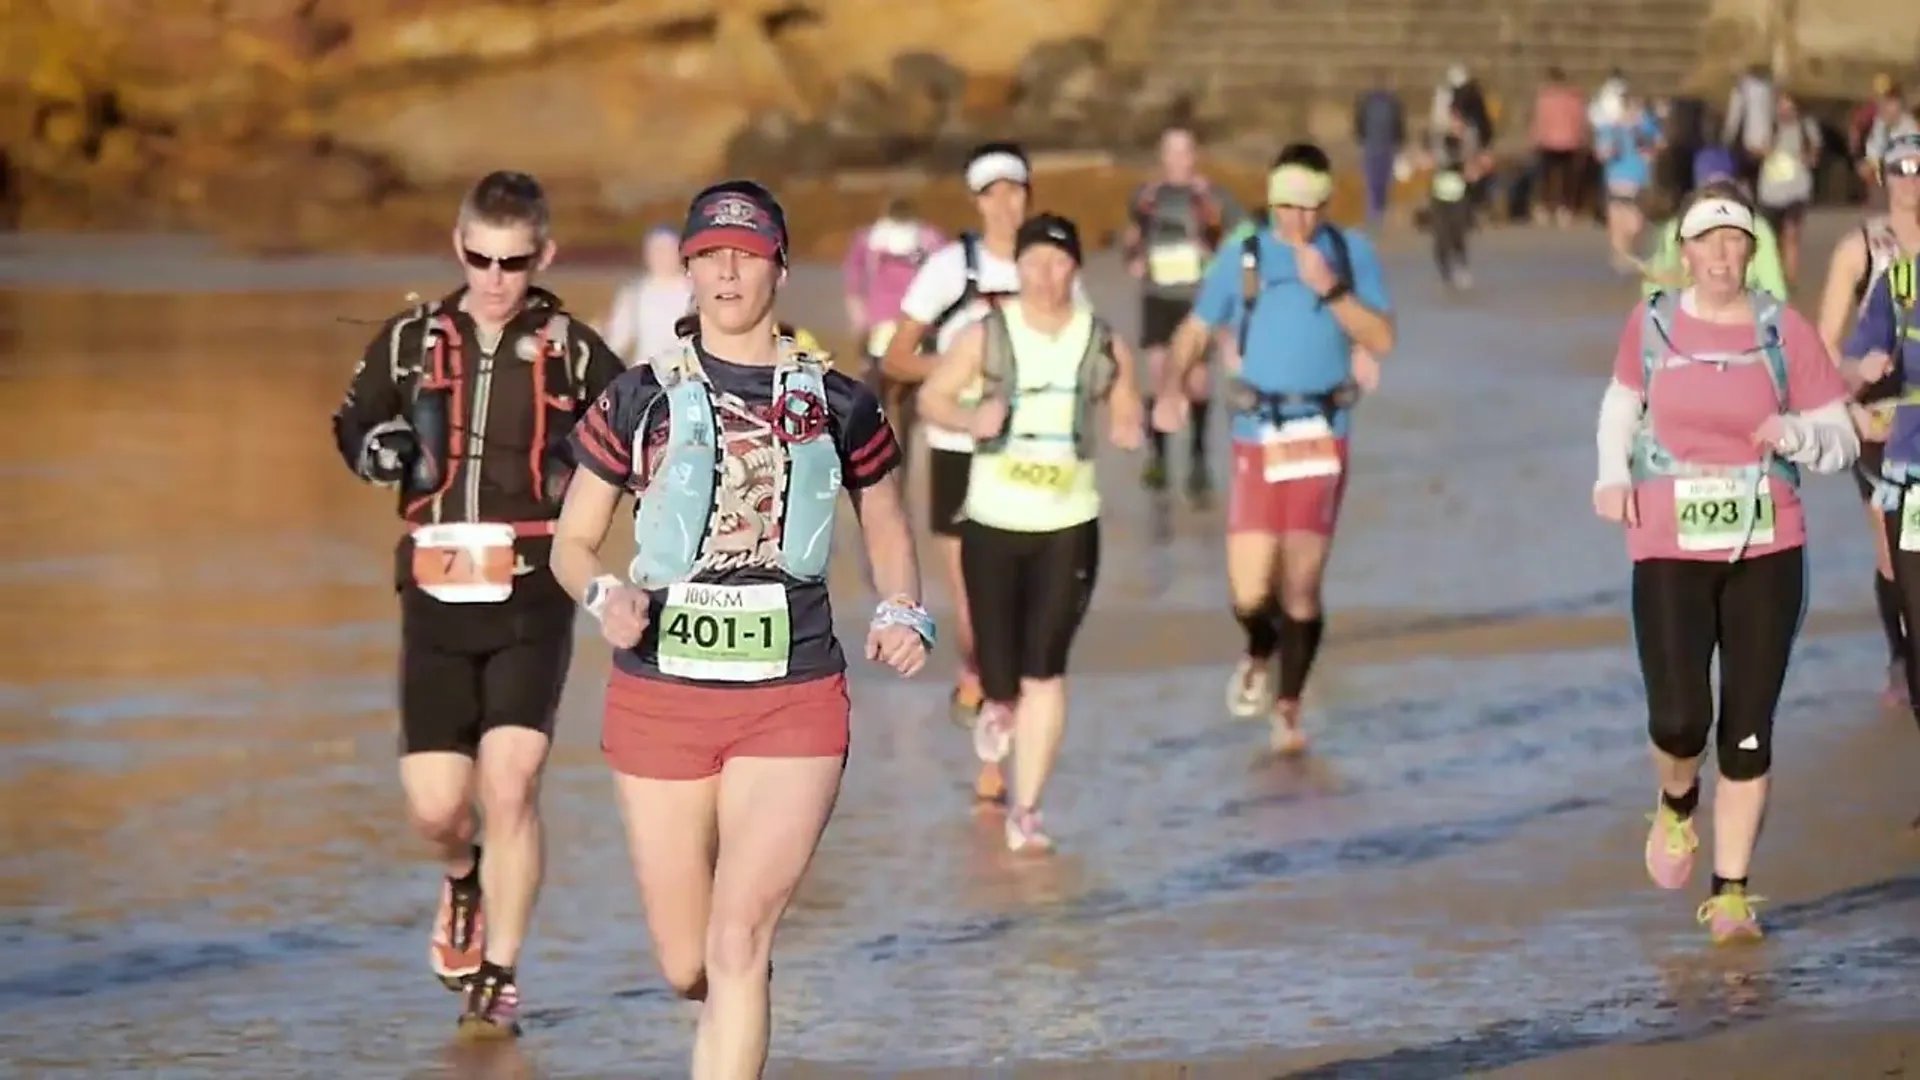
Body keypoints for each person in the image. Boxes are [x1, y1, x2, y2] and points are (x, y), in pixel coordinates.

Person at [551, 179, 931, 1076]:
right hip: (661, 699)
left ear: (780, 269)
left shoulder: (841, 402)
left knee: (738, 942)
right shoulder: (636, 398)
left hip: (792, 699)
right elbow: (573, 539)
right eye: (708, 254)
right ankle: (725, 1009)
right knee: (690, 963)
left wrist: (902, 606)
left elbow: (884, 518)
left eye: (746, 254)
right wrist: (604, 595)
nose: (726, 271)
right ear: (687, 269)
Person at [328, 170, 625, 1034]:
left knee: (513, 782)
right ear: (458, 248)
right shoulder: (413, 339)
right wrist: (375, 449)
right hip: (434, 589)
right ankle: (462, 881)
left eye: (514, 261)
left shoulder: (572, 347)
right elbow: (351, 422)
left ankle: (500, 974)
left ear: (545, 255)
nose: (495, 278)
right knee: (436, 807)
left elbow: (636, 430)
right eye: (479, 258)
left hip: (534, 591)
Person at [1593, 183, 1856, 943]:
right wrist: (1613, 475)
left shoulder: (1785, 331)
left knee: (1747, 726)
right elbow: (1619, 407)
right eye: (1706, 239)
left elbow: (1837, 436)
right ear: (1684, 250)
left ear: (1751, 249)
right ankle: (1677, 803)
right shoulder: (1651, 325)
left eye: (1734, 239)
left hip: (1768, 543)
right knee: (1680, 721)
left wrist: (1797, 437)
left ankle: (1732, 893)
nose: (1720, 254)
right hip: (1670, 540)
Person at [1156, 143, 1395, 753]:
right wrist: (1171, 387)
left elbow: (1383, 337)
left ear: (1325, 202)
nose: (1297, 220)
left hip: (1322, 431)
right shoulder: (1245, 253)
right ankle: (1259, 647)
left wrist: (1333, 290)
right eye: (1286, 206)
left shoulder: (1350, 252)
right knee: (1248, 591)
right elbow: (1195, 329)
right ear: (1271, 199)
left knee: (1302, 585)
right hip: (1257, 433)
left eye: (1310, 207)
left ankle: (1288, 707)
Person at [918, 212, 1144, 851]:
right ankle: (996, 701)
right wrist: (970, 417)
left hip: (1069, 523)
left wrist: (1129, 418)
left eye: (1059, 261)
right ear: (1017, 268)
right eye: (1035, 262)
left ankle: (1027, 810)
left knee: (1047, 666)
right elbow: (935, 397)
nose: (1047, 275)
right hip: (993, 520)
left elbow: (1125, 389)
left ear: (1075, 267)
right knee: (998, 666)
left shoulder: (1098, 338)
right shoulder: (986, 336)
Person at [881, 141, 1081, 799]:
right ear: (976, 200)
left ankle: (998, 764)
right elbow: (896, 356)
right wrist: (957, 376)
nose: (1006, 201)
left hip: (1029, 454)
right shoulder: (950, 268)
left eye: (1016, 188)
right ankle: (983, 682)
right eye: (992, 191)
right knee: (975, 614)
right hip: (956, 451)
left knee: (1023, 613)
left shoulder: (1052, 266)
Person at [1817, 133, 1920, 705]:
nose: (1912, 179)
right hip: (1879, 419)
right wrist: (1852, 397)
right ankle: (1902, 658)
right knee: (1892, 548)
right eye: (1900, 169)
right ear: (1882, 178)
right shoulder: (1861, 248)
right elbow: (1825, 344)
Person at [1124, 124, 1244, 503]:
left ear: (1195, 155)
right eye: (1171, 153)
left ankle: (1197, 460)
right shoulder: (1147, 197)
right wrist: (1134, 260)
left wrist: (1217, 257)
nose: (1178, 160)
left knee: (1196, 381)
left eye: (1185, 152)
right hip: (1158, 297)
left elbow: (1243, 238)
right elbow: (1131, 237)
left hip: (1198, 299)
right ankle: (1157, 458)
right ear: (1162, 158)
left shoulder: (1212, 197)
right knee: (1160, 374)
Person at [842, 196, 944, 458]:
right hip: (914, 328)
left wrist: (860, 327)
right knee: (905, 407)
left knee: (877, 399)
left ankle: (880, 460)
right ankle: (901, 461)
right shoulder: (930, 238)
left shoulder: (868, 239)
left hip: (887, 326)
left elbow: (854, 286)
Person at [1640, 150, 1787, 300]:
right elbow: (1656, 283)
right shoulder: (1676, 227)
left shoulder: (1758, 228)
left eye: (1733, 238)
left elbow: (1775, 292)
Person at [1755, 93, 1821, 286]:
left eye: (1789, 106)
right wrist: (1766, 150)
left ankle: (1790, 282)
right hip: (1771, 191)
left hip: (1797, 190)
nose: (1785, 111)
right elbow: (1756, 149)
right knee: (1772, 239)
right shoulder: (1770, 127)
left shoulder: (1806, 127)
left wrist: (1805, 157)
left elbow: (1815, 156)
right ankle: (1775, 276)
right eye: (1781, 107)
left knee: (1791, 235)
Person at [1425, 103, 1493, 290]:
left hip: (1460, 194)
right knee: (1440, 237)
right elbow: (1432, 159)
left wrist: (1476, 169)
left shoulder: (1470, 137)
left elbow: (1478, 162)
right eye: (1452, 120)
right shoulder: (1438, 138)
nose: (1455, 124)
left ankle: (1462, 267)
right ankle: (1445, 274)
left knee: (1458, 234)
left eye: (1458, 120)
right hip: (1439, 194)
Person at [603, 224, 693, 363]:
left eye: (667, 250)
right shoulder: (634, 293)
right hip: (647, 374)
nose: (661, 256)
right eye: (656, 250)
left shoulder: (696, 291)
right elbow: (617, 342)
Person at [1596, 92, 1664, 272]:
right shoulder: (1612, 129)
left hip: (1639, 181)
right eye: (1629, 109)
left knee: (1635, 224)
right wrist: (1609, 149)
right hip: (1616, 179)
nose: (1632, 114)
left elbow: (1659, 144)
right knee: (1618, 220)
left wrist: (1651, 150)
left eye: (1636, 109)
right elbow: (1602, 152)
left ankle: (1627, 252)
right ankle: (1620, 256)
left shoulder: (1645, 127)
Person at [1531, 65, 1590, 228]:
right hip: (1569, 141)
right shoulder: (1574, 96)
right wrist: (1582, 139)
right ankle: (1564, 210)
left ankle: (1544, 208)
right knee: (1567, 178)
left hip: (1548, 141)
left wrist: (1535, 138)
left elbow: (1540, 120)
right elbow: (1579, 120)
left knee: (1546, 177)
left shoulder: (1544, 97)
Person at [1353, 69, 1406, 228]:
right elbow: (1359, 123)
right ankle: (1374, 215)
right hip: (1373, 146)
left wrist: (1399, 142)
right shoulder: (1367, 102)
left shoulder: (1393, 103)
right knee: (1373, 182)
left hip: (1385, 146)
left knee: (1383, 182)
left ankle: (1380, 213)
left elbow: (1399, 125)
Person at [1722, 64, 1777, 190]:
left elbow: (1734, 117)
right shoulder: (1764, 89)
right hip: (1754, 139)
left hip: (1750, 140)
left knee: (1747, 172)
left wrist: (1727, 137)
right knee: (1756, 174)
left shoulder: (1749, 89)